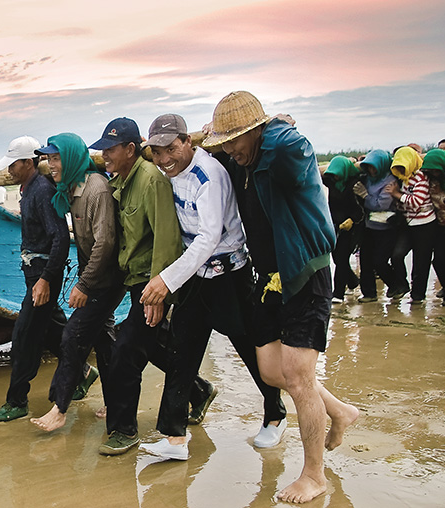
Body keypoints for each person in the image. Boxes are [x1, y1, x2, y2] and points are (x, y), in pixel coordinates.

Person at [202, 91, 359, 503]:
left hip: (305, 273)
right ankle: (340, 411)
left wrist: (276, 126)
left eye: (236, 140)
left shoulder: (287, 150)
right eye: (225, 142)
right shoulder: (241, 161)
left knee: (299, 377)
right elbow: (204, 151)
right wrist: (216, 141)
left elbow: (293, 144)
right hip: (268, 277)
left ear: (256, 131)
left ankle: (314, 475)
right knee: (272, 370)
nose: (230, 150)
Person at [137, 114, 286, 460]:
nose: (164, 159)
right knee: (182, 349)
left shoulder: (210, 175)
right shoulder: (169, 174)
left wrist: (165, 280)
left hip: (228, 275)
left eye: (171, 149)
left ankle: (275, 414)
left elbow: (208, 238)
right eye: (157, 152)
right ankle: (175, 438)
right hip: (196, 277)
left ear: (188, 142)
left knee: (250, 348)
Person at [85, 117, 183, 456]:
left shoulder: (151, 180)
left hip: (151, 283)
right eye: (102, 150)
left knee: (126, 350)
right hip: (134, 281)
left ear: (130, 149)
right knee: (151, 344)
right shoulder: (122, 180)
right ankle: (198, 391)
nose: (105, 155)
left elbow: (167, 239)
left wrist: (159, 292)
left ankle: (124, 429)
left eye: (110, 149)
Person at [29, 133, 124, 432]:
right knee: (105, 341)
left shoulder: (96, 189)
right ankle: (116, 401)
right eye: (47, 158)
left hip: (107, 278)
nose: (50, 164)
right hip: (98, 277)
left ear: (70, 158)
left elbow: (105, 243)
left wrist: (83, 285)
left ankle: (59, 409)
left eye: (56, 158)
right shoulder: (70, 188)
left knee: (72, 336)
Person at [0, 136, 71, 422]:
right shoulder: (29, 190)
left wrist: (46, 280)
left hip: (42, 275)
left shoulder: (42, 192)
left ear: (28, 162)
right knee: (51, 330)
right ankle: (83, 372)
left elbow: (60, 237)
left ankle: (17, 400)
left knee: (24, 336)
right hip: (34, 274)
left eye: (14, 164)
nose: (9, 170)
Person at [353, 149, 407, 302]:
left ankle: (397, 284)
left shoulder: (390, 181)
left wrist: (365, 196)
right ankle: (369, 293)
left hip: (386, 227)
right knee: (365, 260)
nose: (371, 170)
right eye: (368, 167)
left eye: (374, 167)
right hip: (369, 225)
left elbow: (380, 204)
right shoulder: (368, 179)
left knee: (380, 260)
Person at [386, 146, 436, 304]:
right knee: (397, 255)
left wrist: (397, 194)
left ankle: (418, 296)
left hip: (425, 225)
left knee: (421, 262)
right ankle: (402, 284)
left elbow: (416, 202)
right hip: (409, 224)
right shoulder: (403, 179)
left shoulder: (420, 178)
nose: (401, 170)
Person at [322, 157, 364, 302]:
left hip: (350, 226)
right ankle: (352, 281)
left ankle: (338, 293)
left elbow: (361, 207)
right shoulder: (330, 183)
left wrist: (353, 219)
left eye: (338, 174)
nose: (336, 176)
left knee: (341, 258)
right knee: (337, 258)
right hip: (333, 225)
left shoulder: (356, 184)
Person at [423, 149, 445, 305]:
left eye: (437, 169)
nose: (434, 173)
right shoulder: (430, 181)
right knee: (439, 261)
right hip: (441, 226)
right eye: (431, 170)